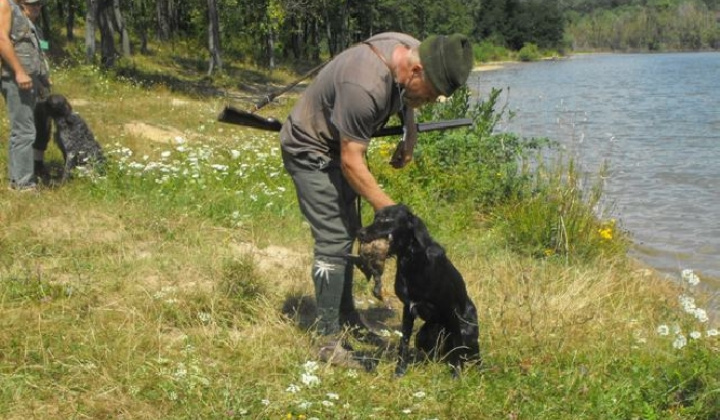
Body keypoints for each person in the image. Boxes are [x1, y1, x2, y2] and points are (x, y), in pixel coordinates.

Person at [280, 32, 473, 366]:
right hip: (310, 148)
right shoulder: (364, 86)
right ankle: (327, 341)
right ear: (416, 71)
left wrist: (409, 134)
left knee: (351, 230)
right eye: (428, 96)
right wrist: (392, 214)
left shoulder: (410, 51)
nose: (425, 103)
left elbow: (406, 98)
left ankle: (348, 318)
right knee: (333, 238)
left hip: (339, 145)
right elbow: (351, 160)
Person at [0, 0, 51, 191]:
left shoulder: (27, 20)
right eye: (32, 4)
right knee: (24, 130)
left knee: (26, 128)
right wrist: (19, 71)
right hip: (15, 78)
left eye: (39, 4)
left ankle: (20, 178)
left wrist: (41, 80)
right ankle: (22, 184)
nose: (36, 7)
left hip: (29, 79)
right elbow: (2, 39)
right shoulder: (5, 5)